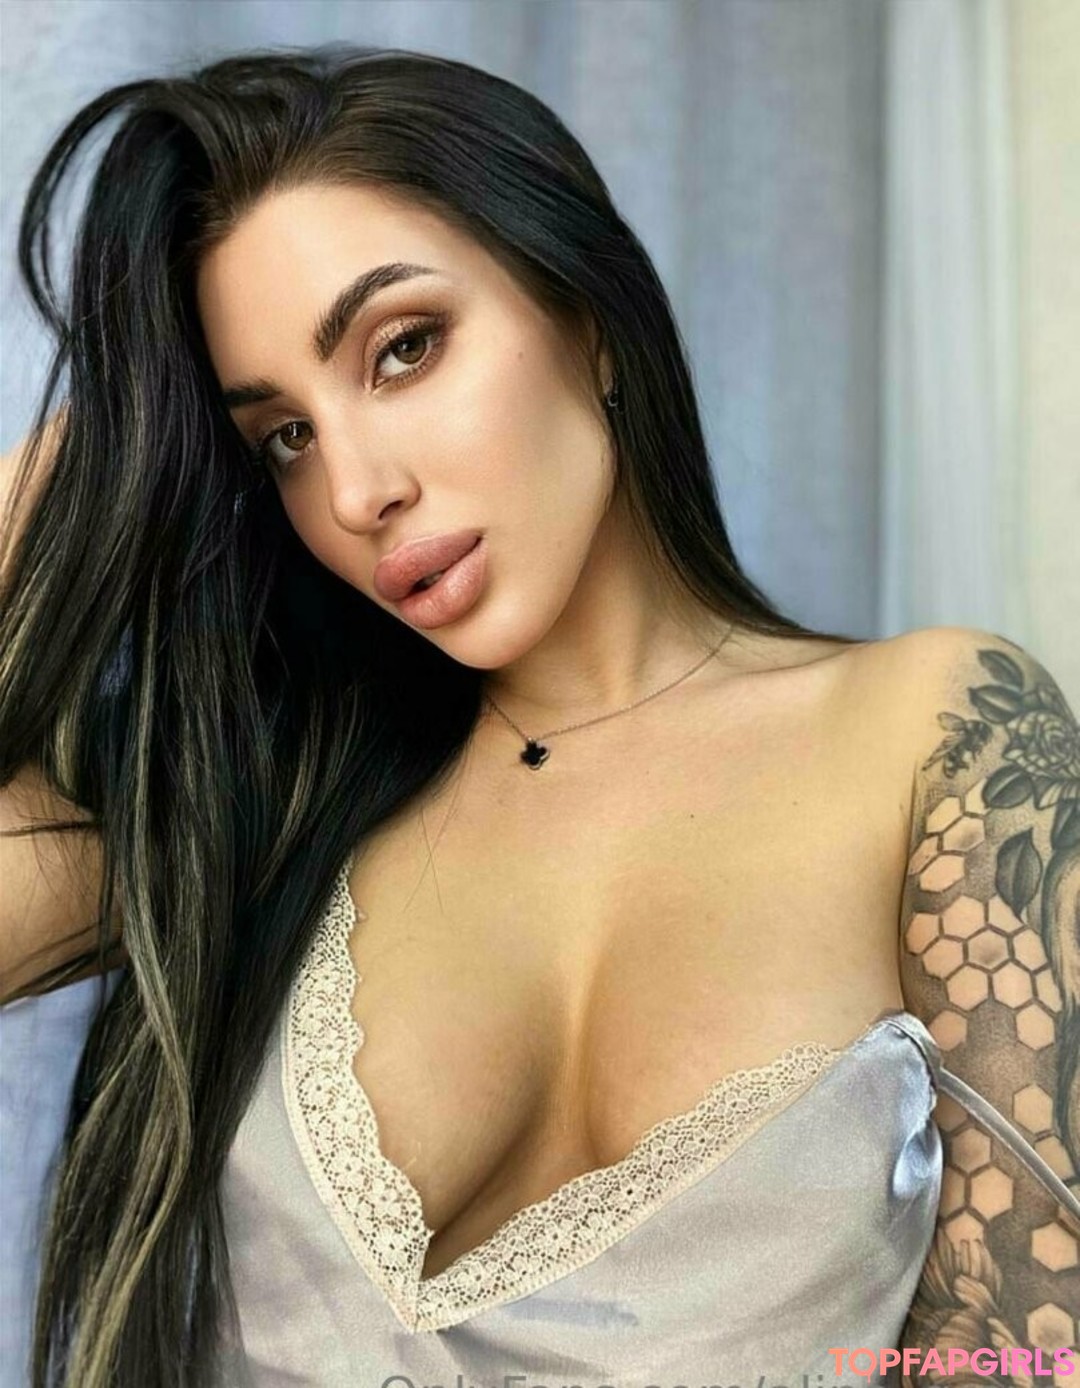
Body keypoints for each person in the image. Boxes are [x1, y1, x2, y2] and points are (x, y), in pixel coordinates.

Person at [0, 43, 1076, 1388]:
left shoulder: (934, 733)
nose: (357, 492)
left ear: (589, 319)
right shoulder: (272, 802)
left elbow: (1036, 1355)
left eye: (403, 350)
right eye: (284, 436)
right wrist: (92, 480)